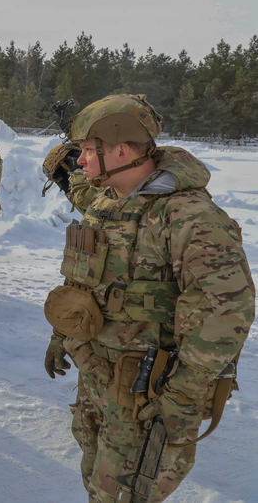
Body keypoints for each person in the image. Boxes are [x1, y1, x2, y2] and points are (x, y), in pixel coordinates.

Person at [42, 94, 255, 502]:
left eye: (88, 151)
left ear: (121, 150)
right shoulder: (107, 202)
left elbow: (227, 311)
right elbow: (87, 281)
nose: (80, 162)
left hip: (148, 394)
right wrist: (63, 334)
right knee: (95, 483)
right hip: (99, 381)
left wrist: (182, 393)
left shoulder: (187, 215)